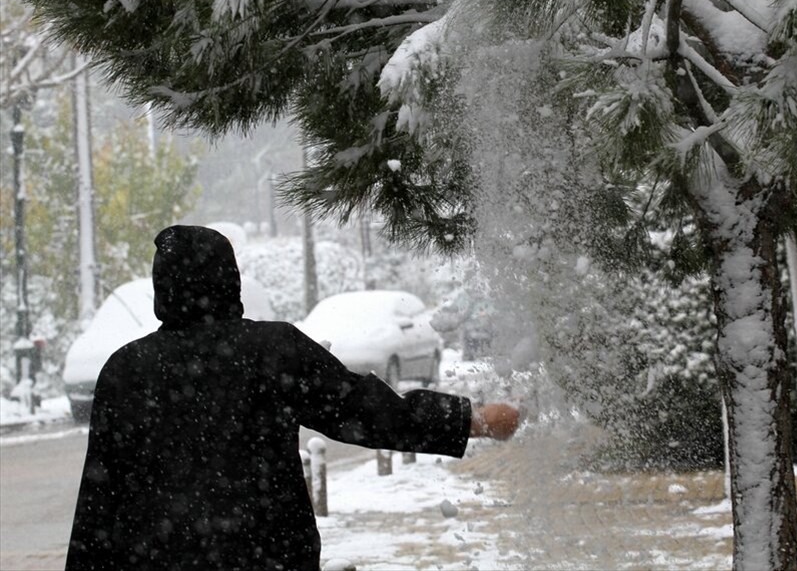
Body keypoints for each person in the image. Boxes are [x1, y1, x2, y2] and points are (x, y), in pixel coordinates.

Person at [66, 225, 519, 571]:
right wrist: (469, 420)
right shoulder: (272, 350)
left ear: (163, 289)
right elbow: (368, 411)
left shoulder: (126, 369)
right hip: (267, 554)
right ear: (230, 281)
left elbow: (100, 501)